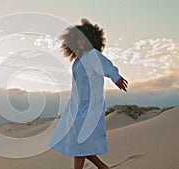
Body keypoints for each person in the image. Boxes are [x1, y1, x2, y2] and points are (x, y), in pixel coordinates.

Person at [48, 18, 128, 169]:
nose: (81, 42)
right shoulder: (77, 62)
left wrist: (116, 77)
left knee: (80, 141)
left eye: (84, 39)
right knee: (79, 142)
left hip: (91, 107)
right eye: (78, 39)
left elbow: (107, 66)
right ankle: (102, 167)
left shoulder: (93, 55)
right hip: (78, 107)